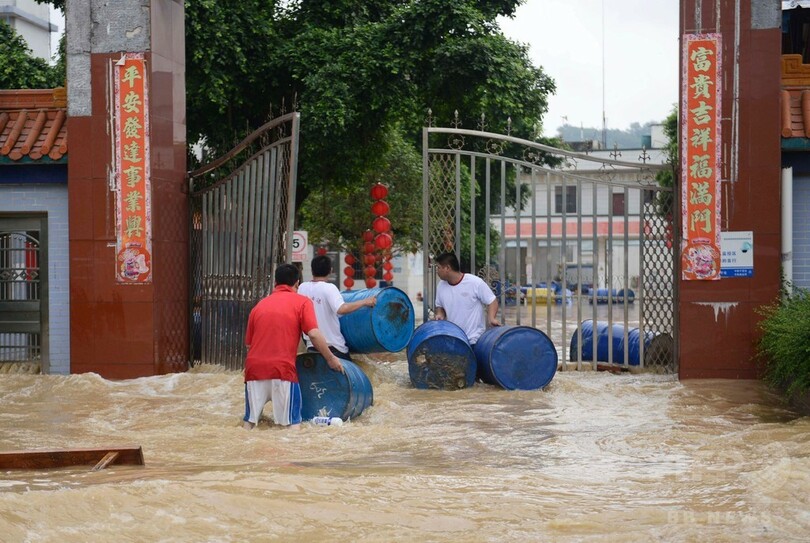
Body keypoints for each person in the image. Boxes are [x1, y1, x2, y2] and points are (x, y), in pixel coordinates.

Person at [242, 263, 343, 430]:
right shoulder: (302, 303)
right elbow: (313, 334)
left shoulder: (259, 306)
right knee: (291, 428)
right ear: (297, 283)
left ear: (275, 282)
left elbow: (248, 345)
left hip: (254, 370)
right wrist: (331, 358)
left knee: (250, 425)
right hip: (282, 371)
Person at [297, 255, 376, 360]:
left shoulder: (302, 288)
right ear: (330, 270)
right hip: (334, 348)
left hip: (312, 347)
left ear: (312, 270)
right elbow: (341, 309)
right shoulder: (329, 288)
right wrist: (364, 301)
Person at [433, 252, 500, 344]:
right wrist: (440, 315)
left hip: (475, 339)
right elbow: (440, 306)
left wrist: (491, 318)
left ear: (447, 268)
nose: (437, 271)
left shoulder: (475, 282)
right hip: (454, 339)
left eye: (438, 267)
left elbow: (492, 301)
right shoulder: (441, 286)